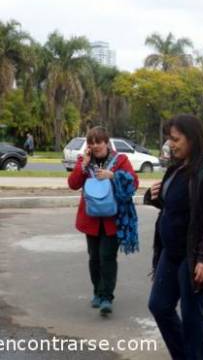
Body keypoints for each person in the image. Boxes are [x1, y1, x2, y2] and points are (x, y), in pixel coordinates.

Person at [147, 114, 203, 360]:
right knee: (159, 306)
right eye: (168, 139)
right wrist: (155, 196)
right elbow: (174, 202)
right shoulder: (178, 165)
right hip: (170, 253)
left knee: (193, 318)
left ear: (192, 138)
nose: (170, 144)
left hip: (193, 256)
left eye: (175, 139)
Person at [68, 126, 138, 316]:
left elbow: (134, 182)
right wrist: (84, 165)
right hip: (90, 218)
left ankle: (107, 297)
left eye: (98, 142)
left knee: (107, 257)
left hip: (112, 220)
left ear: (106, 142)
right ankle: (97, 292)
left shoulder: (120, 160)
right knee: (94, 258)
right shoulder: (85, 161)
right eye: (91, 142)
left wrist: (113, 175)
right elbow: (73, 184)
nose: (95, 145)